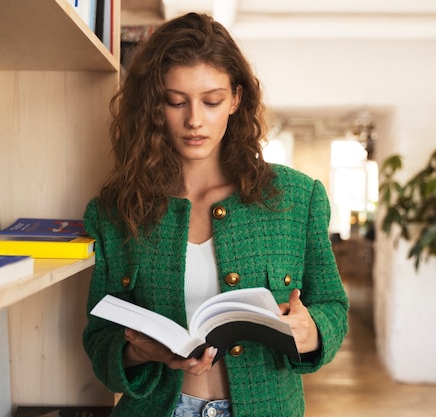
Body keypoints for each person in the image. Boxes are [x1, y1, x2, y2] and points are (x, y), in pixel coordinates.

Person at [83, 12, 349, 417]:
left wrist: (311, 330)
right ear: (155, 105)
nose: (194, 120)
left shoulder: (297, 198)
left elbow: (332, 304)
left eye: (211, 101)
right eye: (176, 101)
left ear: (236, 99)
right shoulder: (116, 211)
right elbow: (99, 337)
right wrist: (135, 351)